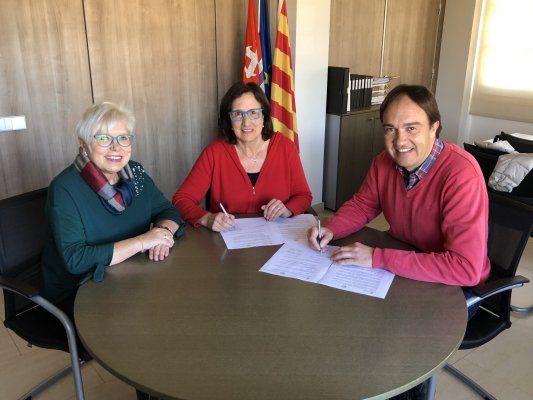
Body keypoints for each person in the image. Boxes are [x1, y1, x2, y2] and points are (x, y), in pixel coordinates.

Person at [308, 84, 491, 399]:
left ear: (435, 127)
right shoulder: (383, 162)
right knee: (341, 310)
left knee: (393, 347)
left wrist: (378, 258)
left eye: (411, 128)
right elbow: (364, 204)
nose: (399, 141)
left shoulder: (460, 175)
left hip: (451, 289)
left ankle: (407, 389)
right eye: (390, 129)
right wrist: (332, 229)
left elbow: (466, 269)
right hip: (402, 268)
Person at [40, 102, 184, 400]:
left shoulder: (137, 174)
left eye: (123, 137)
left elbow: (167, 209)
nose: (115, 147)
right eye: (103, 138)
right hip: (80, 291)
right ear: (84, 144)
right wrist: (144, 241)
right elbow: (75, 259)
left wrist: (164, 233)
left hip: (131, 277)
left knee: (181, 315)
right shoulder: (65, 188)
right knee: (151, 335)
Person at [172, 81, 312, 231]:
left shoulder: (285, 147)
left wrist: (287, 209)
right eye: (238, 114)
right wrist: (207, 218)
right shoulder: (215, 152)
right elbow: (181, 200)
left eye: (253, 113)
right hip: (228, 240)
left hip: (276, 238)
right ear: (229, 121)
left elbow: (303, 195)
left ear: (264, 117)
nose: (246, 122)